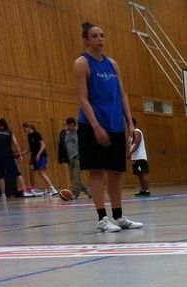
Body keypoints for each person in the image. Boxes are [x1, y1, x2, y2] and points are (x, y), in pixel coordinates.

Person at [73, 21, 142, 232]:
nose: (100, 39)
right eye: (94, 36)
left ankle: (119, 216)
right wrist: (95, 126)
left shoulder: (112, 64)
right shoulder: (82, 63)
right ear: (86, 40)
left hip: (114, 125)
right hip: (92, 126)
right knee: (97, 173)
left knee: (116, 172)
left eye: (102, 35)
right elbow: (83, 98)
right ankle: (102, 218)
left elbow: (122, 95)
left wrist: (130, 124)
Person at [0, 119, 26, 199]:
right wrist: (20, 154)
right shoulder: (10, 133)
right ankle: (25, 191)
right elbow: (16, 144)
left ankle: (3, 194)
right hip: (8, 156)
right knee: (17, 173)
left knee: (0, 175)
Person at [58, 117, 91, 198]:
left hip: (78, 158)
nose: (71, 127)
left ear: (75, 125)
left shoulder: (78, 133)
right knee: (74, 178)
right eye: (70, 126)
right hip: (69, 159)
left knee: (76, 176)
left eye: (73, 126)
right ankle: (88, 191)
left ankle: (75, 193)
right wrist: (61, 157)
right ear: (67, 125)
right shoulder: (63, 133)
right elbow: (61, 146)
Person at [130, 117, 151, 196]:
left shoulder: (137, 132)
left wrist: (130, 153)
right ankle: (142, 189)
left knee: (143, 173)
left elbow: (136, 143)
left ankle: (147, 190)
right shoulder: (131, 135)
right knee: (139, 174)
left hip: (140, 157)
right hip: (135, 158)